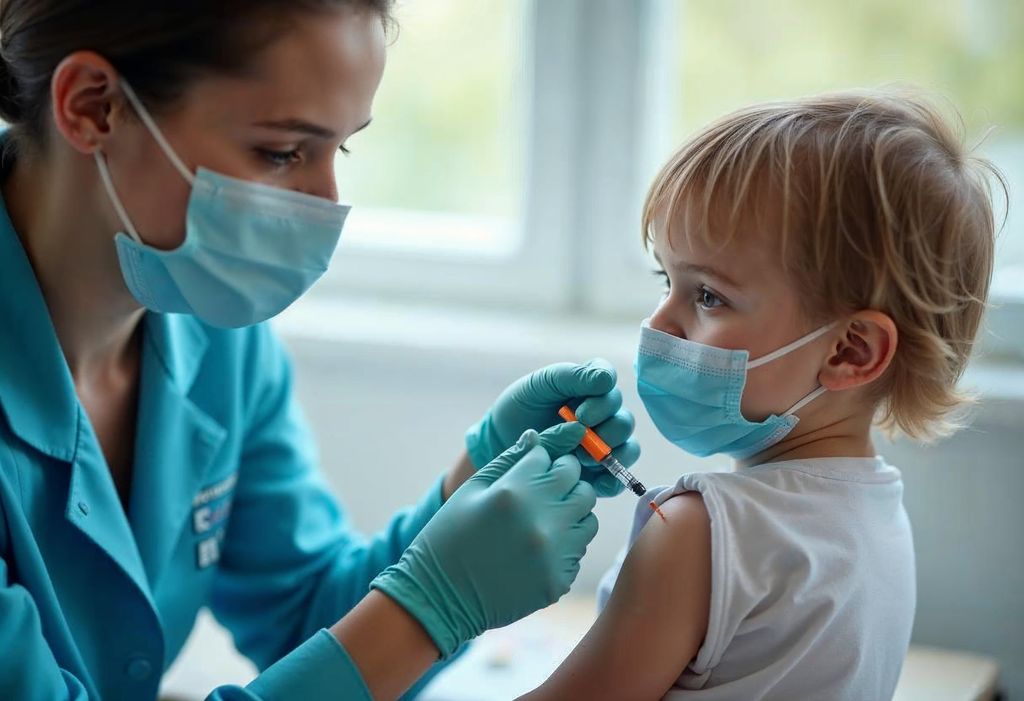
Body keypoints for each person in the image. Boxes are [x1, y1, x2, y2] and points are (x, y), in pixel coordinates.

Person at [0, 1, 640, 699]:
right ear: (94, 106)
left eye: (342, 148)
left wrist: (468, 489)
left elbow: (306, 616)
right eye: (282, 151)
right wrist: (432, 604)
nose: (326, 202)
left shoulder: (218, 338)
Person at [521, 90, 1002, 700]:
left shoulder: (698, 535)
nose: (659, 323)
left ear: (850, 351)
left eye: (709, 296)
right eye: (667, 280)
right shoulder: (879, 518)